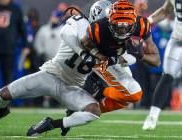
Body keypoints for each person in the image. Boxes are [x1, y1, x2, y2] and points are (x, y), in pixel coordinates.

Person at [26, 0, 160, 136]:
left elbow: (156, 61)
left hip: (115, 60)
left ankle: (78, 109)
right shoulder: (97, 28)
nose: (122, 30)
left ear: (134, 22)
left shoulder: (142, 25)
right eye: (118, 26)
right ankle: (98, 90)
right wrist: (99, 57)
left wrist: (141, 55)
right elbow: (84, 43)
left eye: (126, 26)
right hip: (102, 60)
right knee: (132, 92)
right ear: (109, 20)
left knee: (129, 97)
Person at [0, 1, 107, 136]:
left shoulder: (109, 43)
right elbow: (65, 33)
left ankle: (51, 124)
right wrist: (85, 54)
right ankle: (0, 111)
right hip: (50, 75)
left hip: (72, 87)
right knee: (2, 95)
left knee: (94, 111)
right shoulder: (79, 24)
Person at [142, 0, 182, 130]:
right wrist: (147, 22)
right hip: (177, 40)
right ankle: (152, 117)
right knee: (167, 76)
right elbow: (165, 10)